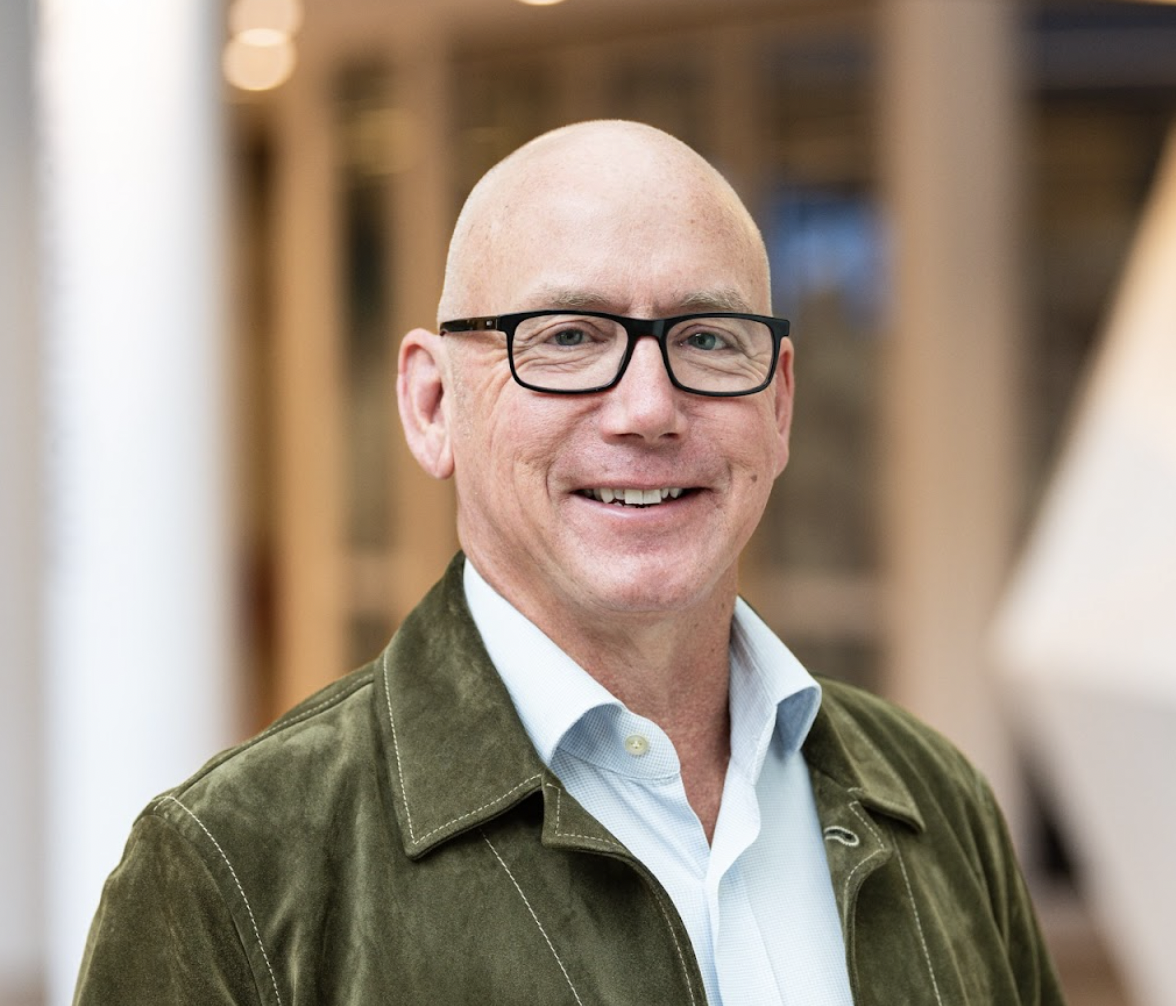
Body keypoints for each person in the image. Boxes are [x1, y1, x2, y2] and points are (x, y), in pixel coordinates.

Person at [75, 120, 1065, 1005]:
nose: (646, 410)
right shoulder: (234, 870)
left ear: (780, 403)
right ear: (432, 405)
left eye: (709, 338)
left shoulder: (939, 804)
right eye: (569, 337)